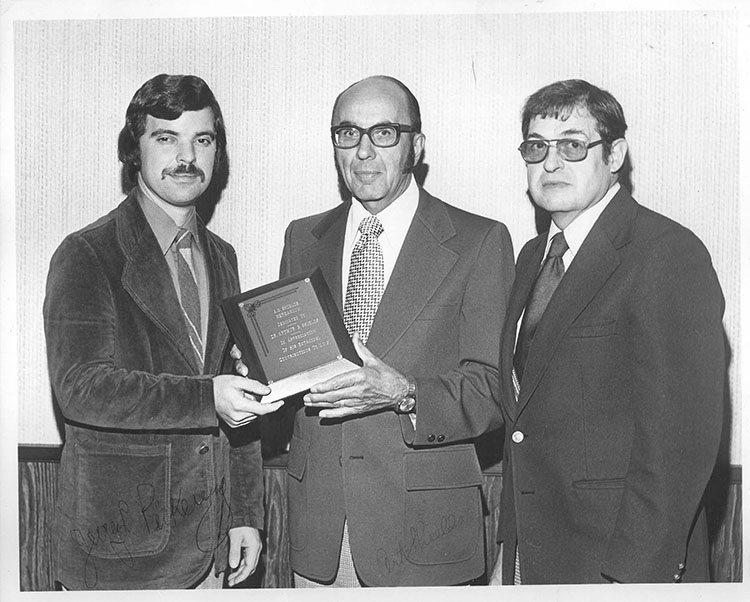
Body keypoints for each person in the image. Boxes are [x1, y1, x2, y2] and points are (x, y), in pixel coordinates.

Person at [43, 73, 283, 590]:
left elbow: (233, 391)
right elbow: (82, 389)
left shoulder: (223, 256)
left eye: (203, 139)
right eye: (166, 137)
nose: (187, 156)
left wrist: (245, 512)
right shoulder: (86, 253)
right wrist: (208, 397)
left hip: (212, 547)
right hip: (119, 551)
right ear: (135, 150)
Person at [273, 75, 514, 587]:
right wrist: (263, 368)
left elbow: (493, 390)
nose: (363, 151)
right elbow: (299, 365)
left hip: (426, 534)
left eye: (384, 133)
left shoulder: (479, 241)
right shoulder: (303, 238)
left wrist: (403, 393)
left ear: (416, 146)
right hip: (319, 533)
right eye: (347, 133)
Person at [491, 79, 725, 584]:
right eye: (537, 147)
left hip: (621, 566)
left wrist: (632, 579)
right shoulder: (533, 257)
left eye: (573, 145)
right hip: (532, 559)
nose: (550, 163)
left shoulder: (665, 253)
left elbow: (681, 446)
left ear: (614, 154)